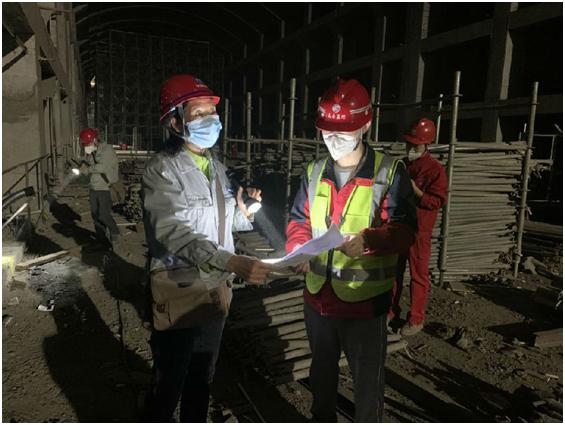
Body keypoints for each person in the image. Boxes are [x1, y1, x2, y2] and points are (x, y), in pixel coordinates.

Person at [142, 74, 272, 422]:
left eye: (211, 112)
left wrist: (245, 212)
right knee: (170, 379)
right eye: (198, 114)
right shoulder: (162, 170)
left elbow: (224, 223)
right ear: (175, 122)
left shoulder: (217, 168)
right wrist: (228, 260)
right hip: (180, 287)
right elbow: (169, 231)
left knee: (202, 376)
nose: (209, 120)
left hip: (215, 287)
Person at [286, 79, 417, 422]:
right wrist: (298, 249)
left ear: (366, 125)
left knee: (367, 385)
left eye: (343, 132)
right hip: (318, 298)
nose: (334, 139)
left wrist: (370, 240)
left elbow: (405, 231)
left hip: (364, 304)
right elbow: (299, 219)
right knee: (321, 374)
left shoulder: (389, 172)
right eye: (327, 131)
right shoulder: (314, 171)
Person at [390, 118, 447, 336]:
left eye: (416, 145)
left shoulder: (435, 170)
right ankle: (391, 312)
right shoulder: (402, 165)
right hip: (399, 227)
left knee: (418, 276)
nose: (411, 148)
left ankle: (415, 319)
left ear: (426, 145)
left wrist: (417, 192)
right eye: (409, 144)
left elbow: (436, 202)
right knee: (394, 272)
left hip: (419, 232)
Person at [79, 128, 120, 247]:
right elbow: (88, 162)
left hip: (105, 187)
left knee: (104, 214)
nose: (86, 146)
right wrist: (83, 164)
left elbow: (102, 167)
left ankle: (115, 232)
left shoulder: (107, 150)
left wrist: (88, 169)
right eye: (85, 144)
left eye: (87, 143)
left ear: (95, 140)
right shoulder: (92, 151)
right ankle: (101, 240)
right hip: (94, 187)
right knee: (95, 215)